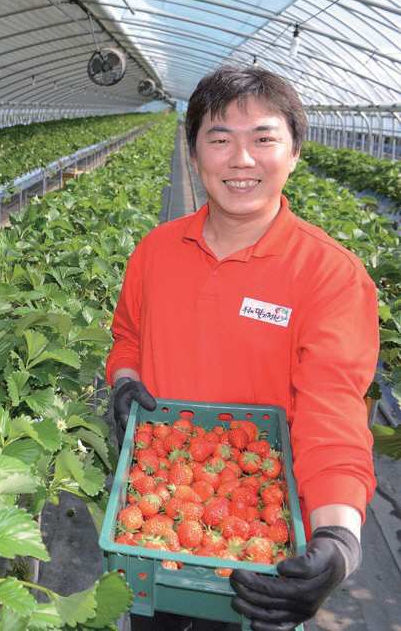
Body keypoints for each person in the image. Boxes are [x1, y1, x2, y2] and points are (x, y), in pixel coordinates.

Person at [106, 66, 378, 631]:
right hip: (159, 522)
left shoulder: (330, 276)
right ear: (194, 150)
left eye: (263, 138)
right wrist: (125, 380)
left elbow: (334, 415)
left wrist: (337, 537)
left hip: (262, 540)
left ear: (295, 152)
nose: (241, 159)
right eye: (220, 138)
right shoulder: (156, 251)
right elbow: (126, 335)